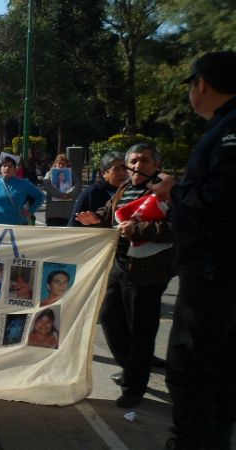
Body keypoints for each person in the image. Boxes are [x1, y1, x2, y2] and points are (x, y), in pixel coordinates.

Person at [149, 51, 236, 449]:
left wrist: (175, 190)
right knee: (217, 367)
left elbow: (224, 195)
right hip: (215, 269)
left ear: (201, 84)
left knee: (190, 364)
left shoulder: (230, 129)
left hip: (213, 271)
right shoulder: (223, 127)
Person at [75, 142, 173, 409]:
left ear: (156, 166)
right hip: (119, 266)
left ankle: (133, 387)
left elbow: (177, 227)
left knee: (141, 330)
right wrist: (95, 219)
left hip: (147, 272)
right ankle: (131, 369)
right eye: (134, 161)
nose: (137, 166)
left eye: (144, 160)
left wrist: (138, 229)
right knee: (109, 319)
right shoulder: (124, 189)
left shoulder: (165, 192)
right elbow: (109, 215)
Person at [68, 152, 127, 227]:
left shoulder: (131, 190)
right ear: (103, 173)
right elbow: (73, 226)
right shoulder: (91, 193)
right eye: (116, 169)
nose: (122, 173)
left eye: (125, 169)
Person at [43, 154, 81, 226]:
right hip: (53, 213)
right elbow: (46, 185)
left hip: (67, 212)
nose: (61, 165)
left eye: (63, 164)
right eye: (59, 163)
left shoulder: (72, 175)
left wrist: (68, 194)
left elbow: (77, 186)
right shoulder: (49, 174)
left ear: (67, 164)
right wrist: (59, 194)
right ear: (55, 164)